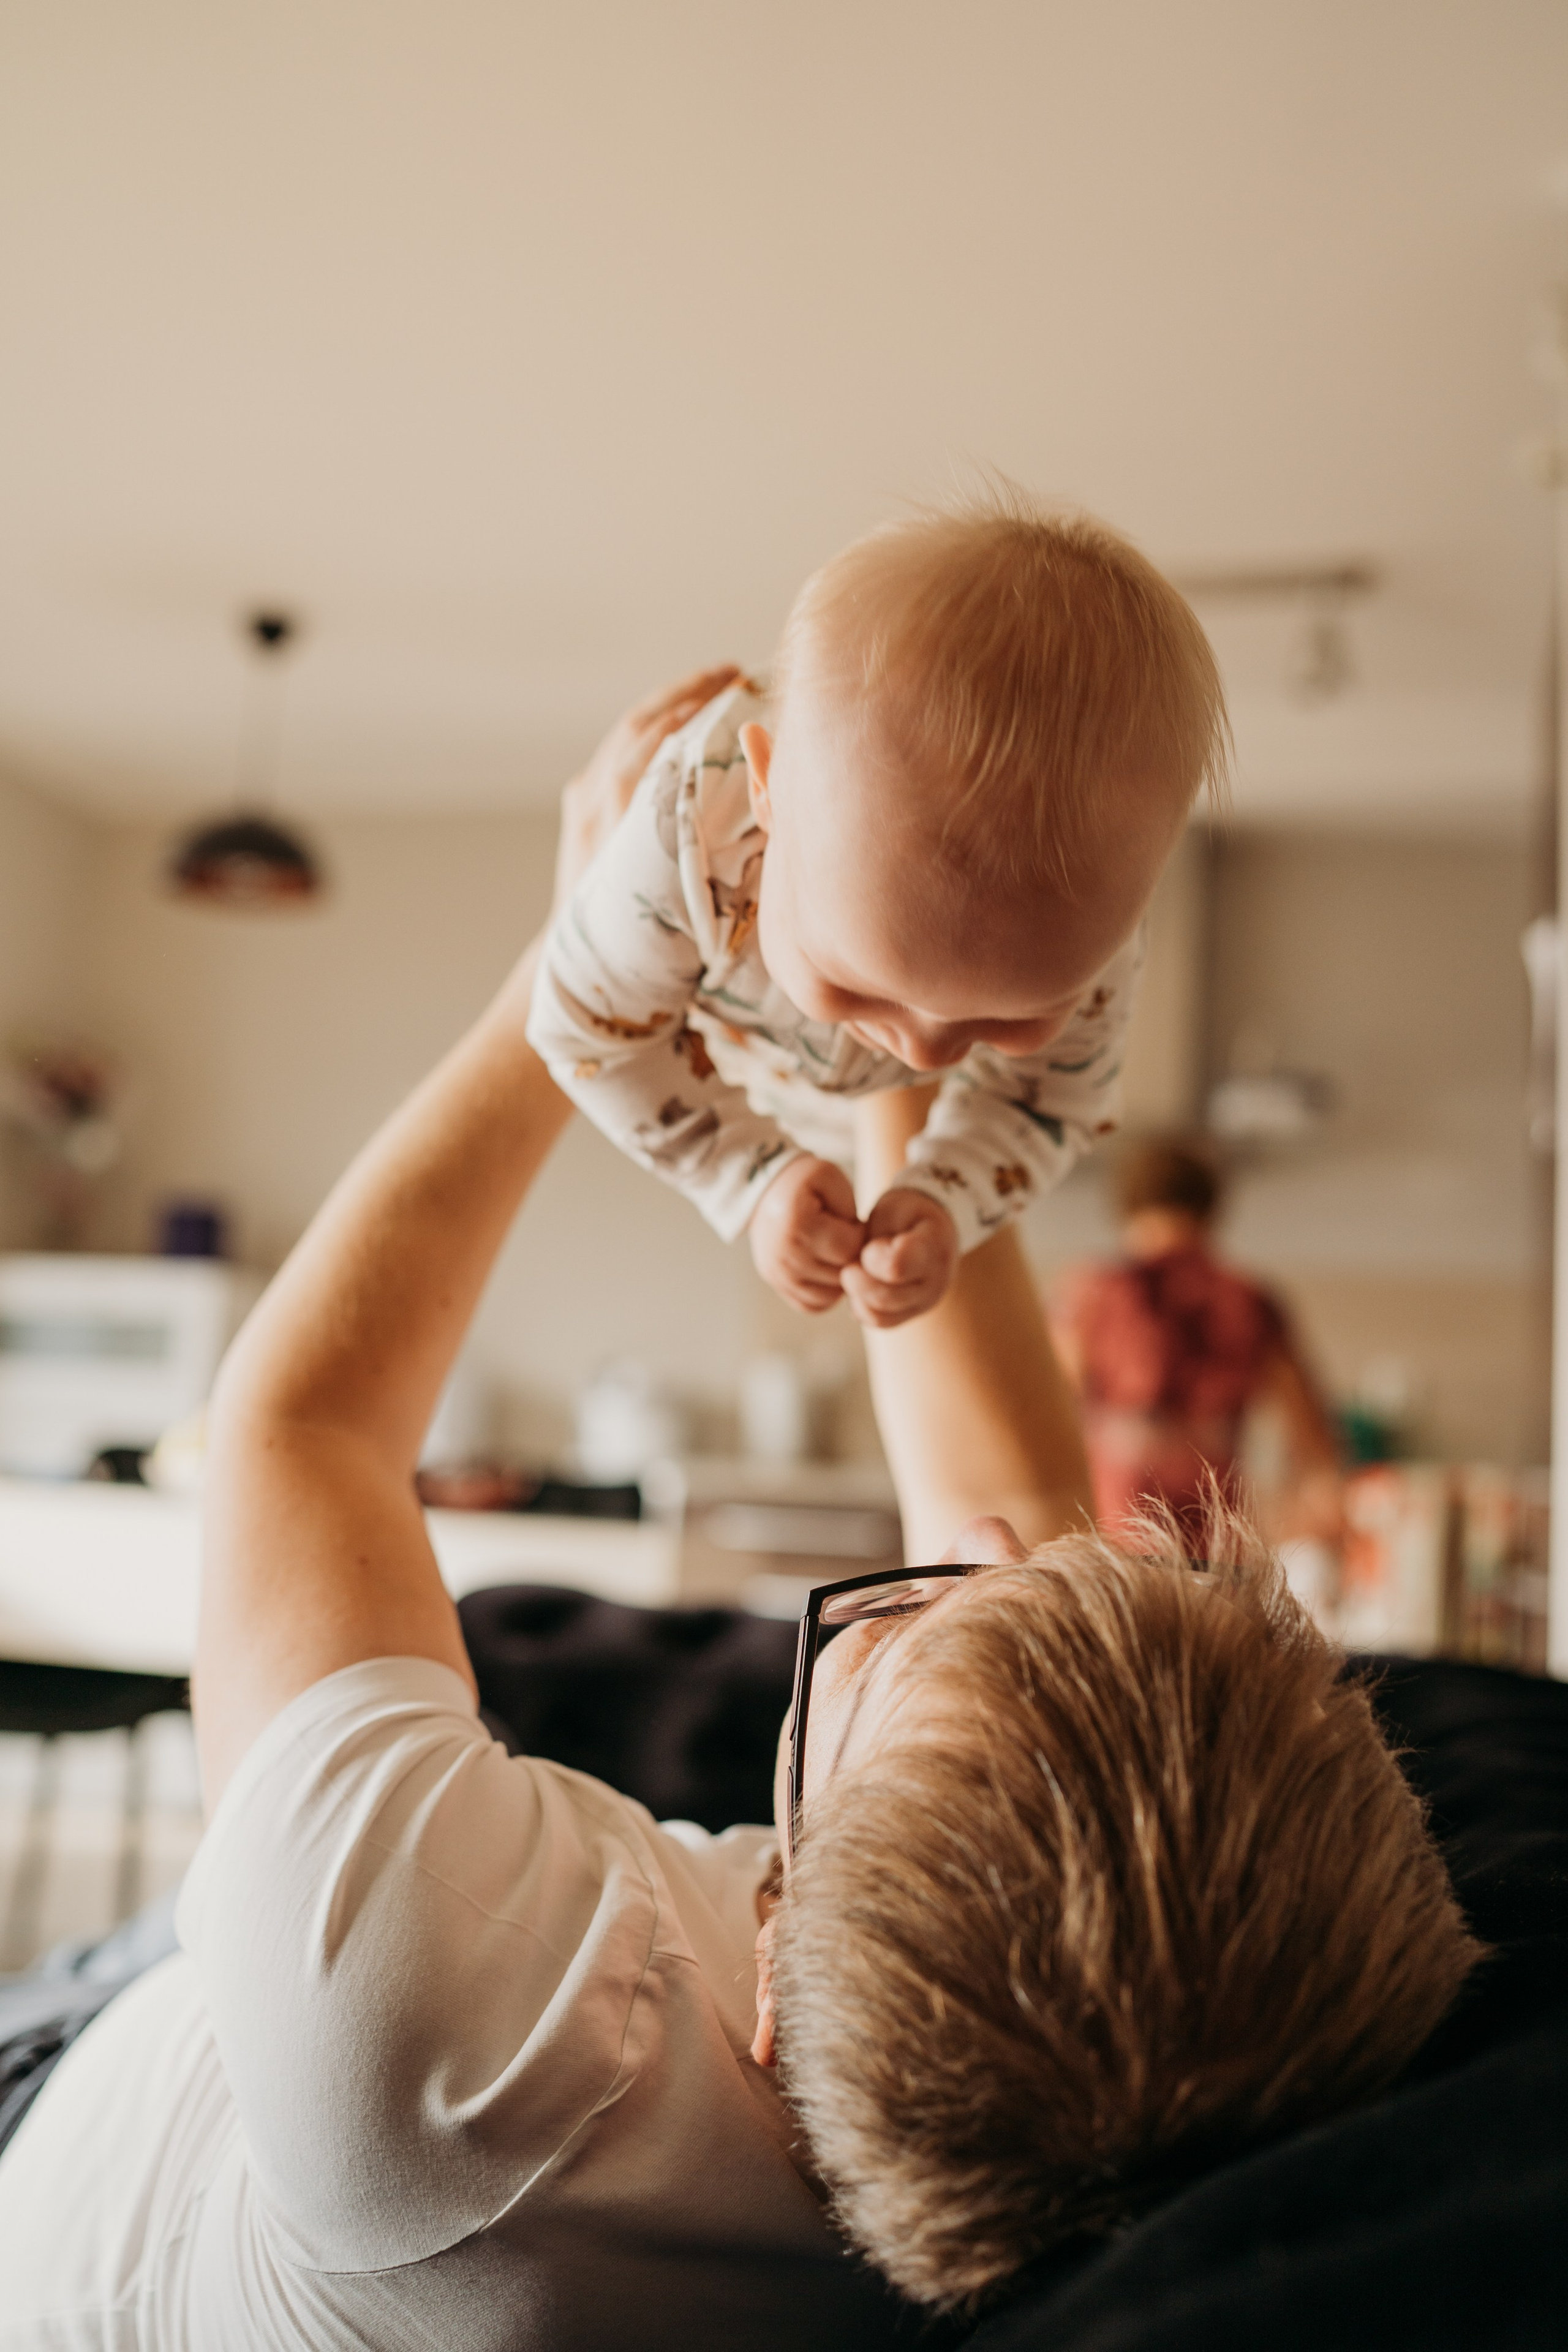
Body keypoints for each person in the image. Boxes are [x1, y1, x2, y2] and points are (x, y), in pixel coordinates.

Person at [0, 683, 1476, 2347]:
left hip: (76, 2116)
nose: (974, 1563)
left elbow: (311, 1430)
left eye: (885, 1630)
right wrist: (905, 1038)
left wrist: (570, 968)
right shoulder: (1012, 2096)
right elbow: (1000, 1521)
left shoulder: (449, 2052)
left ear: (771, 1985)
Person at [529, 493, 1227, 1329]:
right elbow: (584, 1031)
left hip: (811, 1086)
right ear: (765, 796)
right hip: (726, 1053)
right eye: (858, 983)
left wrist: (947, 1200)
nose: (925, 1050)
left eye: (1008, 1017)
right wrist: (749, 1177)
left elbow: (1047, 1105)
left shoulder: (1087, 938)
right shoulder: (693, 835)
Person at [1052, 1133, 1342, 1546]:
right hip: (1215, 1499)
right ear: (1212, 1211)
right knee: (1212, 1605)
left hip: (1121, 1500)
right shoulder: (1251, 1299)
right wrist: (1312, 1510)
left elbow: (1051, 1401)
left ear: (1127, 1208)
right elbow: (1310, 1432)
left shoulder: (1093, 1293)